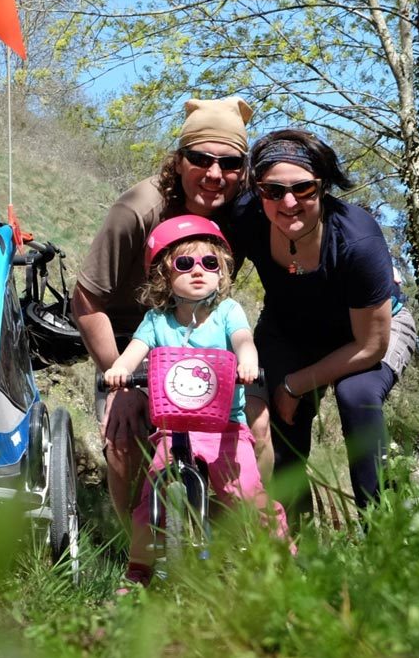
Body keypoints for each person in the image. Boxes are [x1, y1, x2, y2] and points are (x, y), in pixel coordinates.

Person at [73, 96, 275, 534]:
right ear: (179, 160)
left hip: (210, 337)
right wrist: (121, 382)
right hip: (132, 336)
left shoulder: (241, 214)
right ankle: (134, 546)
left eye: (230, 163)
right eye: (201, 158)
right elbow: (86, 300)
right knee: (123, 437)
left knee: (257, 423)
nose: (215, 174)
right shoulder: (138, 210)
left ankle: (236, 541)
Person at [229, 128, 417, 523]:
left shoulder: (356, 240)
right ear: (258, 190)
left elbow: (371, 346)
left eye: (304, 188)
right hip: (289, 326)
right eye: (273, 190)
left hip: (371, 333)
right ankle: (298, 547)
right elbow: (208, 270)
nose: (289, 201)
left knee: (357, 396)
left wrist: (297, 384)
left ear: (323, 187)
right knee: (279, 422)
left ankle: (384, 531)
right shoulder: (248, 216)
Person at [103, 215, 286, 590]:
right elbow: (134, 352)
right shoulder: (157, 321)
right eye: (184, 264)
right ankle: (139, 570)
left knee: (248, 494)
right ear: (165, 277)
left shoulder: (227, 312)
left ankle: (281, 560)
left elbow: (242, 341)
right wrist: (119, 370)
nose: (198, 271)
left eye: (210, 263)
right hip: (174, 427)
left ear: (222, 272)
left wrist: (248, 360)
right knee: (150, 500)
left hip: (226, 427)